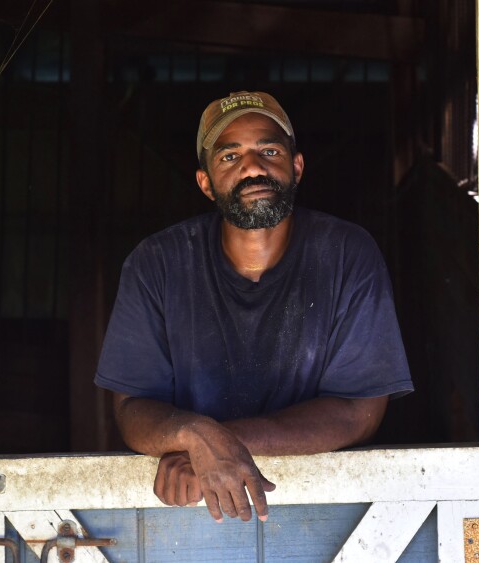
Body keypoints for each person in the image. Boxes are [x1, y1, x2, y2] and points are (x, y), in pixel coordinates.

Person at [95, 91, 413, 524]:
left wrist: (212, 444)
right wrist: (193, 435)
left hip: (329, 509)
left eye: (269, 150)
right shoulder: (157, 263)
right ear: (206, 183)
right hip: (186, 518)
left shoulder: (346, 253)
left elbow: (359, 410)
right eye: (229, 157)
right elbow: (131, 409)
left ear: (295, 167)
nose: (252, 167)